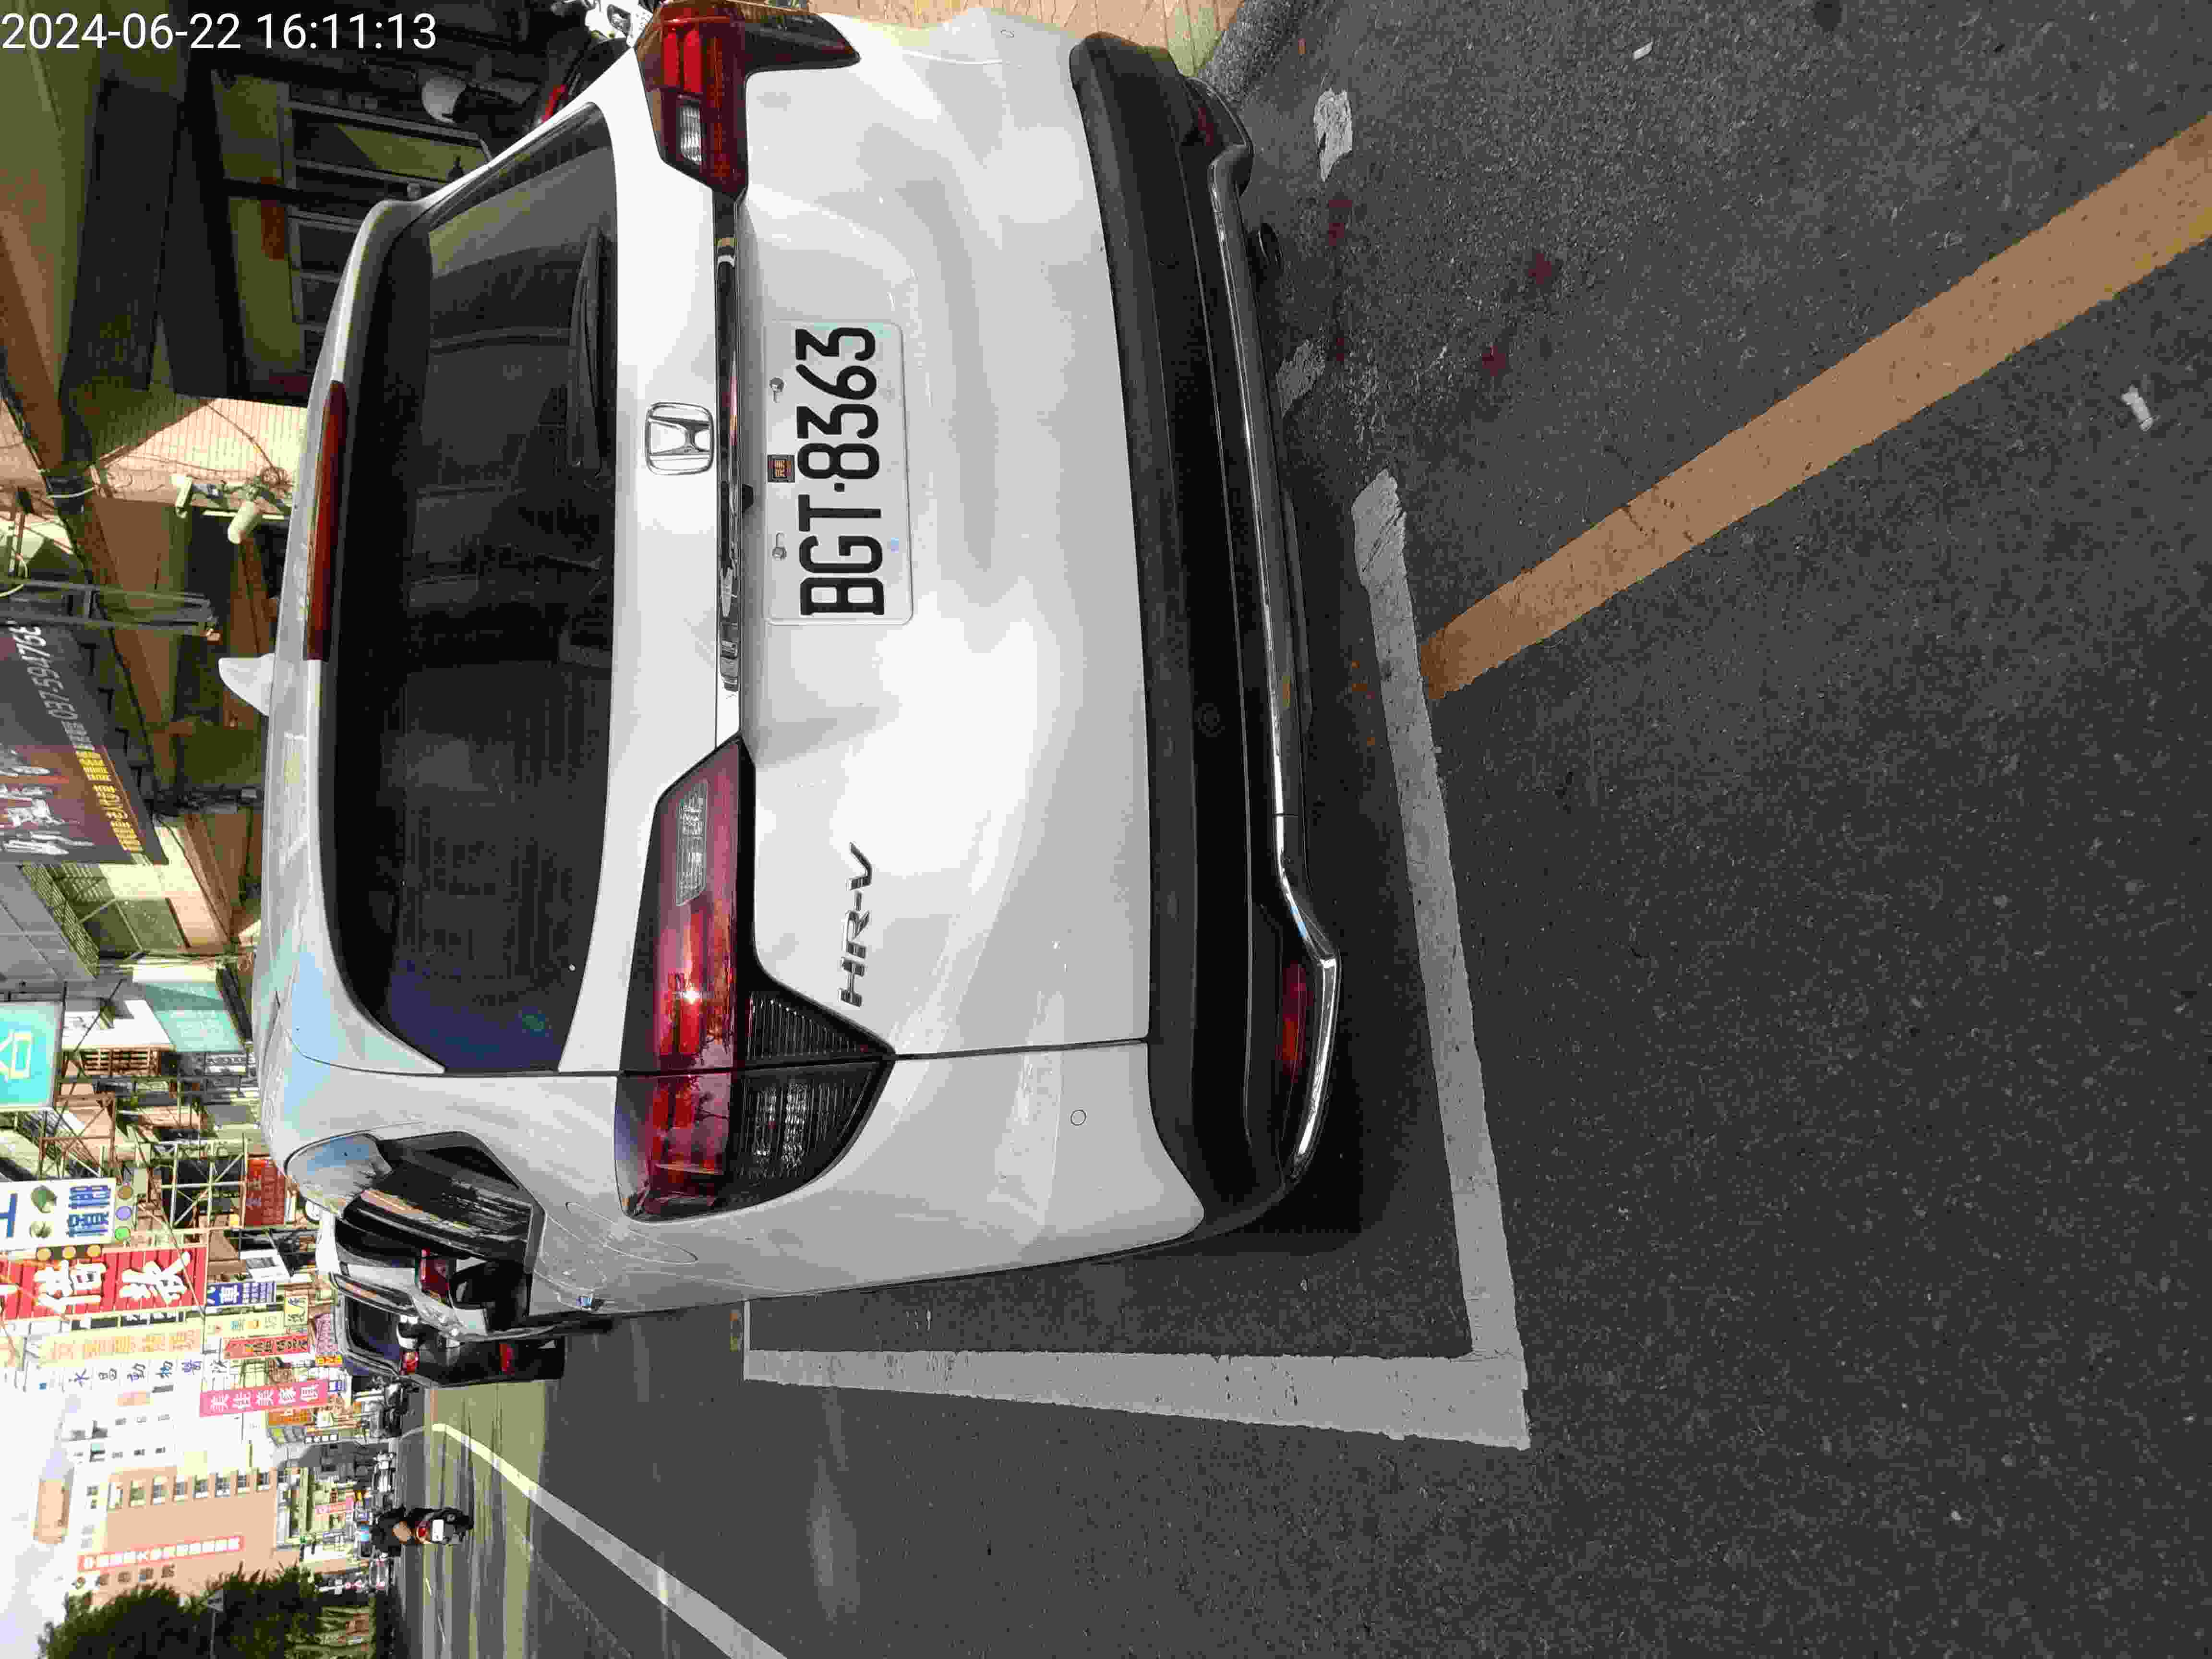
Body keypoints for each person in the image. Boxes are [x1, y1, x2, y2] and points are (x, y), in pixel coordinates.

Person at [367, 1504, 472, 1551]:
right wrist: (401, 1510)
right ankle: (441, 1514)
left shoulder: (381, 1546)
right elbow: (397, 1515)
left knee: (430, 1540)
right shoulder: (382, 1521)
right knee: (420, 1512)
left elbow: (396, 1551)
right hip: (413, 1524)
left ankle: (450, 1539)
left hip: (412, 1540)